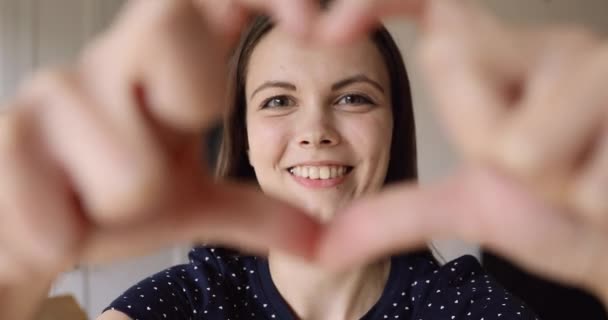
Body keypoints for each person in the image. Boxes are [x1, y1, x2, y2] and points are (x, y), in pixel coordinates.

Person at [99, 6, 540, 319]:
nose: (315, 130)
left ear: (393, 128)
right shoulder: (194, 299)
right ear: (246, 139)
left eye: (352, 98)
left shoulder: (461, 307)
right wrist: (26, 272)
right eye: (278, 100)